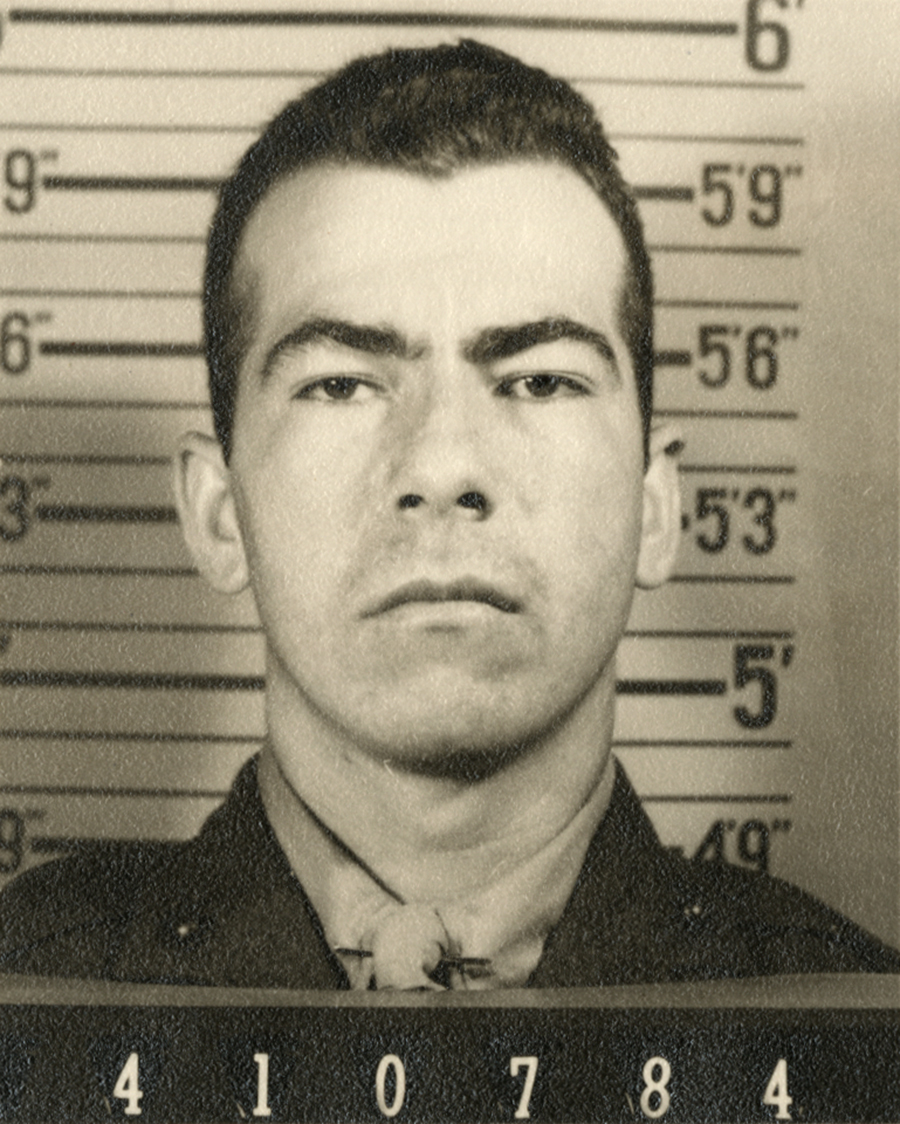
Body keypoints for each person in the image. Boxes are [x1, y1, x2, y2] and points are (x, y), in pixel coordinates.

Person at [2, 41, 897, 990]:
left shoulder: (865, 1027)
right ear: (219, 513)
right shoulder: (23, 989)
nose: (442, 467)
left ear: (656, 506)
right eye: (341, 384)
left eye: (540, 380)